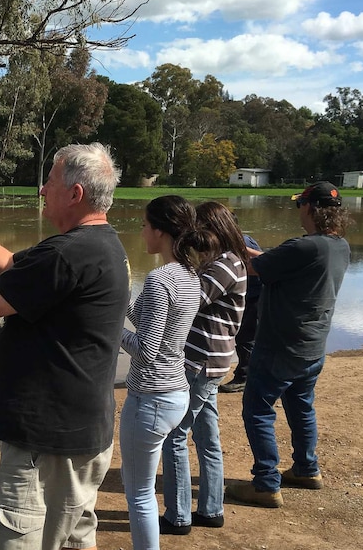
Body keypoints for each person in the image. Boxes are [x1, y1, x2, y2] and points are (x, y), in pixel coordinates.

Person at [0, 143, 129, 550]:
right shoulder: (94, 244)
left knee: (23, 540)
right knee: (73, 537)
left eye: (49, 182)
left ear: (75, 194)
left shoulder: (68, 254)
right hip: (80, 432)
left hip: (47, 443)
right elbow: (5, 265)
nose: (41, 190)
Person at [226, 181, 351, 508]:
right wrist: (248, 248)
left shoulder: (304, 247)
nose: (299, 210)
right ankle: (307, 469)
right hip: (311, 348)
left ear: (310, 208)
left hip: (279, 346)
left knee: (257, 411)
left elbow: (253, 267)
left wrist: (225, 237)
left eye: (300, 205)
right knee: (301, 406)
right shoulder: (338, 245)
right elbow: (271, 260)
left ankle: (266, 484)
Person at [160, 201, 249, 535]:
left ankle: (178, 516)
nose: (193, 234)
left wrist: (174, 258)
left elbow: (189, 301)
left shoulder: (226, 265)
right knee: (207, 437)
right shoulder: (225, 261)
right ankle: (211, 510)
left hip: (200, 362)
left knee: (175, 436)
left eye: (199, 228)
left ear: (215, 229)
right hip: (211, 361)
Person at [119, 195, 203, 550]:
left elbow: (146, 350)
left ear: (160, 230)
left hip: (149, 399)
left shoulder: (159, 279)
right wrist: (123, 303)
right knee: (143, 491)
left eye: (143, 225)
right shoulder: (191, 275)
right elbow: (157, 329)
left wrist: (110, 329)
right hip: (175, 393)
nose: (141, 232)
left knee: (139, 495)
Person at [219, 229, 262, 393]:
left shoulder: (242, 242)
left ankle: (244, 377)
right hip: (247, 294)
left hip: (253, 295)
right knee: (245, 336)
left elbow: (255, 266)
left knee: (246, 337)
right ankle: (246, 374)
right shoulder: (234, 240)